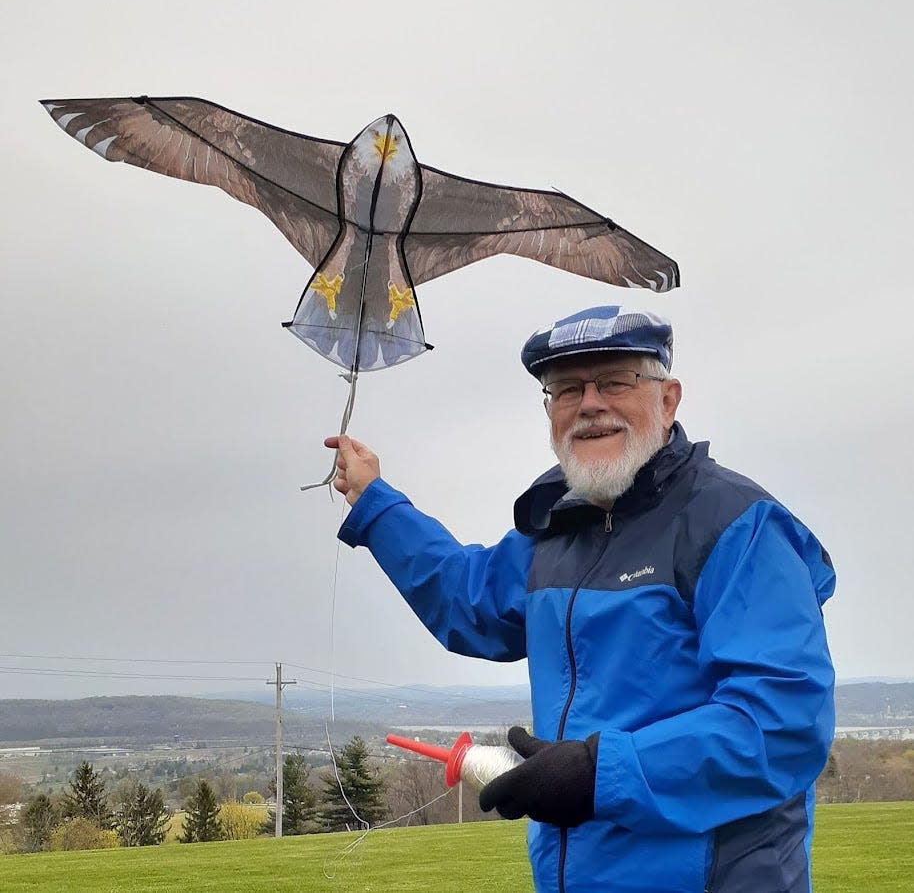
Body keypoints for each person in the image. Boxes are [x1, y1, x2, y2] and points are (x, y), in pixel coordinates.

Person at [326, 305, 835, 893]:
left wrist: (599, 774)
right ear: (549, 412)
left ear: (668, 400)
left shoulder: (736, 527)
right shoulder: (556, 534)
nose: (589, 404)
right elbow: (470, 603)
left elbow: (780, 722)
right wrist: (376, 503)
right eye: (566, 389)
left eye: (615, 382)